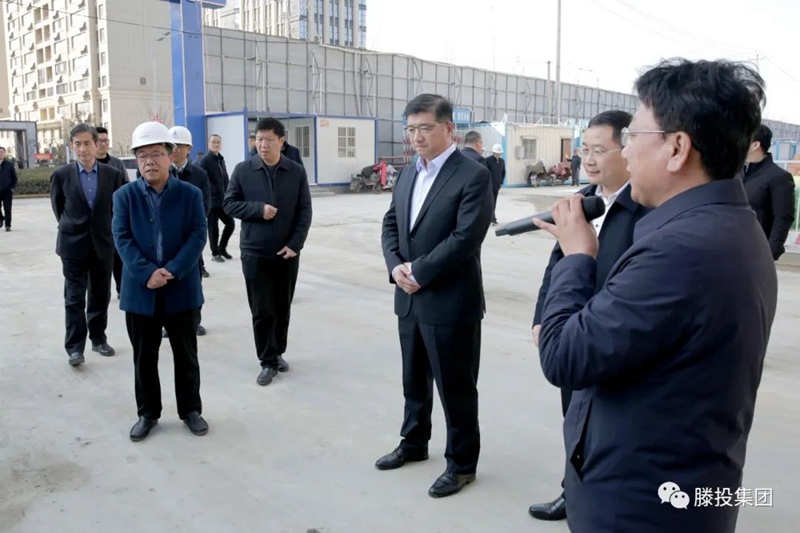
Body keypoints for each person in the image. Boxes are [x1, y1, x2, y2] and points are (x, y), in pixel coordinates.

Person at [532, 59, 776, 532]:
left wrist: (577, 256)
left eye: (633, 136)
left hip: (641, 504)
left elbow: (564, 356)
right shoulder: (727, 224)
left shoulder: (680, 250)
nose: (625, 152)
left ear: (677, 148)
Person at [528, 110, 648, 522]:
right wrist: (542, 317)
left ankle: (602, 499)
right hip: (570, 330)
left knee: (608, 426)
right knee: (574, 419)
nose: (589, 160)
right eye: (584, 150)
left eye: (600, 150)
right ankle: (572, 492)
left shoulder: (645, 209)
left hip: (610, 335)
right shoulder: (580, 203)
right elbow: (556, 265)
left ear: (626, 150)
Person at [378, 94, 493, 499]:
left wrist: (419, 272)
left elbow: (465, 238)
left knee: (455, 387)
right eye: (411, 129)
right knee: (413, 380)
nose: (417, 137)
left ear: (448, 129)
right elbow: (391, 223)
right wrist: (396, 266)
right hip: (409, 298)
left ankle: (461, 464)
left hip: (450, 300)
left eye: (425, 128)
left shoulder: (473, 174)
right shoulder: (410, 172)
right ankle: (413, 442)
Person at [112, 121, 208, 442]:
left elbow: (198, 234)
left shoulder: (190, 194)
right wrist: (146, 273)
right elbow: (122, 238)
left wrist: (173, 270)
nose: (149, 161)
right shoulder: (124, 196)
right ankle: (147, 413)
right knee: (144, 357)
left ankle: (190, 410)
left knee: (186, 354)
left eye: (155, 153)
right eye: (142, 155)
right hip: (141, 292)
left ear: (171, 155)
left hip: (181, 289)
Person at [223, 117, 312, 386]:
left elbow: (304, 211)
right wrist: (257, 209)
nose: (262, 144)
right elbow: (229, 204)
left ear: (281, 142)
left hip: (286, 253)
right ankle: (266, 360)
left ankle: (278, 351)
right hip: (255, 251)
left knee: (282, 307)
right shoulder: (243, 170)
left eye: (269, 140)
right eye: (259, 139)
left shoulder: (295, 172)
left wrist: (295, 244)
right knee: (262, 310)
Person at [50, 124, 126, 366]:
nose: (82, 149)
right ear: (71, 146)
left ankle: (98, 338)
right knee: (74, 297)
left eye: (87, 143)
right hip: (72, 245)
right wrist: (73, 227)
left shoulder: (112, 174)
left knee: (100, 295)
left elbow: (117, 209)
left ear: (96, 144)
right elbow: (58, 208)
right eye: (77, 144)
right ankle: (74, 348)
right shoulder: (61, 175)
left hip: (103, 244)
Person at [168, 125, 211, 336]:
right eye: (172, 146)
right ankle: (168, 323)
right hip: (167, 239)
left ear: (189, 149)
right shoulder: (161, 172)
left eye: (180, 146)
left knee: (193, 281)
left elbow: (204, 206)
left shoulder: (199, 175)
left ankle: (194, 321)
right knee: (168, 280)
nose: (175, 150)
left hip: (190, 238)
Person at [740, 124, 795, 260]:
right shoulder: (736, 173)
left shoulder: (779, 177)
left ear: (755, 145)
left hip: (757, 252)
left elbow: (783, 218)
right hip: (731, 247)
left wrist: (770, 254)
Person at [96, 126, 128, 299]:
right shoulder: (89, 165)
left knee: (119, 256)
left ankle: (122, 289)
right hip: (96, 222)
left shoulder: (117, 164)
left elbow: (126, 187)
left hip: (115, 216)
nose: (103, 144)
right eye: (99, 141)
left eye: (105, 141)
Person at [198, 135, 235, 263]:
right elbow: (205, 180)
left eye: (218, 142)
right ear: (208, 144)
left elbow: (225, 178)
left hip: (223, 200)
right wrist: (213, 193)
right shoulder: (205, 160)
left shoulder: (220, 159)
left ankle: (222, 248)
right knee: (213, 228)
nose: (216, 144)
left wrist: (229, 192)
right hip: (212, 201)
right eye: (213, 142)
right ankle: (215, 253)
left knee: (230, 224)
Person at [486, 144, 506, 224]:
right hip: (489, 186)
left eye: (499, 153)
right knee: (490, 202)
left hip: (497, 186)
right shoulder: (487, 160)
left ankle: (492, 218)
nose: (498, 155)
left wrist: (501, 181)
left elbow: (503, 172)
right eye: (497, 153)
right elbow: (485, 172)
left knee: (494, 202)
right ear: (493, 152)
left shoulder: (502, 161)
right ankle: (492, 218)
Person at [0, 146, 17, 232]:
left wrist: (12, 187)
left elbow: (14, 177)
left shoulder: (9, 164)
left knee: (7, 208)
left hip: (7, 190)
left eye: (2, 152)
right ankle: (1, 218)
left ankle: (8, 225)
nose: (0, 154)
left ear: (4, 153)